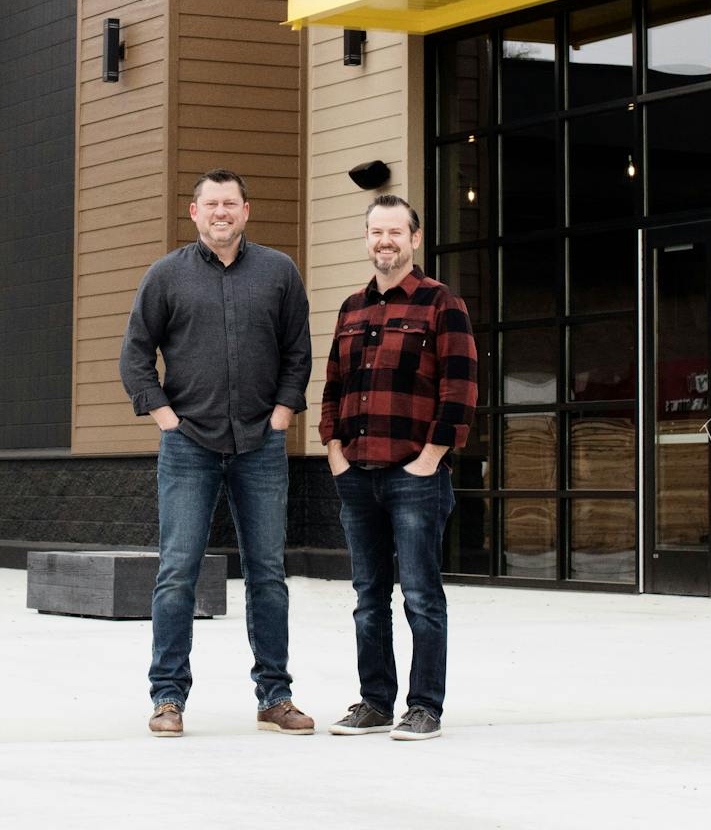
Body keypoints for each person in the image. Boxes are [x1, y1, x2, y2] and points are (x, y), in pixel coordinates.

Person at [119, 169, 315, 738]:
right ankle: (167, 698)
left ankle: (275, 696)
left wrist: (281, 415)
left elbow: (297, 353)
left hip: (261, 444)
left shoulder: (279, 272)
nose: (221, 212)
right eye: (212, 204)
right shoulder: (166, 276)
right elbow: (135, 355)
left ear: (246, 211)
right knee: (177, 572)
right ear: (194, 211)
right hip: (189, 447)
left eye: (231, 203)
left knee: (268, 574)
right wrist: (165, 418)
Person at [319, 193, 477, 742]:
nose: (384, 241)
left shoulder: (442, 304)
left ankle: (424, 706)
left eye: (395, 233)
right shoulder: (351, 309)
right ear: (367, 240)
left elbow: (460, 391)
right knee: (368, 599)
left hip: (415, 475)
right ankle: (374, 702)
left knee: (421, 596)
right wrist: (334, 451)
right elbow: (334, 387)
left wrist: (430, 459)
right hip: (357, 475)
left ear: (413, 239)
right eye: (375, 233)